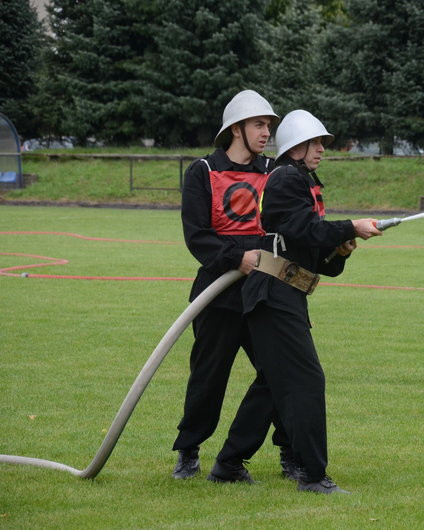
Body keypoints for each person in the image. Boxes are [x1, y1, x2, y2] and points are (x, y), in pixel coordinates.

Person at [215, 109, 382, 494]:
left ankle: (227, 464)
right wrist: (350, 226)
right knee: (307, 379)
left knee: (272, 384)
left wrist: (340, 249)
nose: (322, 149)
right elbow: (300, 229)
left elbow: (311, 250)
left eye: (323, 143)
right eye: (317, 142)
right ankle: (312, 475)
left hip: (283, 291)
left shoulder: (301, 181)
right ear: (297, 146)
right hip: (273, 292)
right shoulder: (287, 177)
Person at [173, 89, 287, 482]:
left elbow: (287, 226)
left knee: (282, 373)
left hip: (264, 293)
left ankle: (286, 452)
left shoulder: (274, 171)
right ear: (236, 129)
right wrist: (236, 258)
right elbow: (197, 235)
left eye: (269, 125)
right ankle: (188, 451)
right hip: (217, 294)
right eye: (259, 124)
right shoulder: (202, 171)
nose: (266, 132)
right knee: (208, 378)